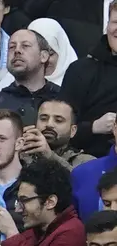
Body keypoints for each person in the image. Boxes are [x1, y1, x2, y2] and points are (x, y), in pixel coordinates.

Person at [0, 155, 84, 246]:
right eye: (18, 201)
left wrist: (11, 233)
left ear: (50, 202)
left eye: (24, 201)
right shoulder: (35, 230)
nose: (18, 209)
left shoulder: (72, 231)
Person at [59, 2, 117, 158]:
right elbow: (59, 129)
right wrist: (93, 127)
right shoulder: (80, 70)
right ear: (107, 26)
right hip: (87, 160)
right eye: (115, 22)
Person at [0, 28, 60, 118]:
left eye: (25, 46)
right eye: (12, 47)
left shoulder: (62, 98)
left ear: (44, 56)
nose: (17, 51)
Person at [33, 99, 94, 169]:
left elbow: (79, 179)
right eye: (43, 119)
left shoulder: (86, 162)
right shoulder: (22, 154)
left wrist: (50, 156)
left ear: (73, 131)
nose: (49, 124)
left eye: (58, 120)